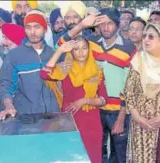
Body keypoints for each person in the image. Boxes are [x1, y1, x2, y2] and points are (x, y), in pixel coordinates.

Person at [57, 8, 136, 163]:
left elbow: (130, 85)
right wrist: (81, 25)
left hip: (117, 111)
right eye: (102, 24)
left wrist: (121, 116)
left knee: (119, 155)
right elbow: (61, 43)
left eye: (110, 23)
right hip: (94, 111)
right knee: (96, 154)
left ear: (118, 25)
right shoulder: (90, 44)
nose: (106, 27)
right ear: (96, 26)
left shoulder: (129, 48)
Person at [41, 35, 107, 163]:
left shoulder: (97, 70)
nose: (81, 52)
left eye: (84, 48)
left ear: (89, 49)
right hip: (70, 121)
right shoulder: (65, 68)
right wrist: (60, 50)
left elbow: (104, 100)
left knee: (92, 158)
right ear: (71, 51)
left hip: (91, 122)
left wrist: (84, 101)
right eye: (76, 49)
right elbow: (44, 74)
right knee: (70, 158)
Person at [125, 23, 160, 163]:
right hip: (140, 127)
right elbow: (129, 91)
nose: (146, 39)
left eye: (151, 36)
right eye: (145, 36)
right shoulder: (138, 60)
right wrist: (138, 118)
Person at [0, 10, 60, 120]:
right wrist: (8, 105)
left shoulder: (53, 54)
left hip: (53, 117)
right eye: (28, 27)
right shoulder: (14, 55)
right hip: (25, 118)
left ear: (45, 29)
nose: (32, 32)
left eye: (37, 27)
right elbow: (6, 85)